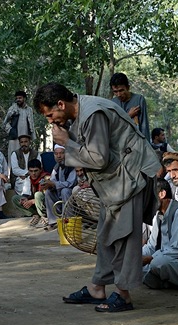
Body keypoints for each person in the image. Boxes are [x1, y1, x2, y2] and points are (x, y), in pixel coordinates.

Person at [34, 82, 159, 313]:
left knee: (123, 236)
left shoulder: (93, 113)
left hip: (131, 178)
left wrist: (66, 143)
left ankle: (123, 295)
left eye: (51, 114)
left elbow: (98, 159)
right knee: (105, 234)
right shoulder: (82, 112)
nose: (51, 121)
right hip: (117, 182)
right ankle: (97, 287)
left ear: (61, 104)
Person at [42, 144, 76, 231]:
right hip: (60, 196)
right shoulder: (56, 167)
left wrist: (54, 184)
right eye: (56, 154)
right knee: (48, 192)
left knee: (65, 191)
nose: (59, 156)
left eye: (61, 153)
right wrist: (48, 185)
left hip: (72, 195)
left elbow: (70, 183)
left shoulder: (72, 166)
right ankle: (53, 222)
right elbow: (53, 181)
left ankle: (68, 221)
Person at [110, 73, 151, 143]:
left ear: (128, 87)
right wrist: (128, 116)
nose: (118, 94)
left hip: (136, 142)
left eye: (121, 90)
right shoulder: (112, 103)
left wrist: (147, 146)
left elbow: (144, 126)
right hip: (119, 143)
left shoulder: (139, 100)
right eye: (115, 92)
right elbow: (113, 127)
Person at [11, 158, 49, 228]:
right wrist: (25, 199)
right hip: (36, 203)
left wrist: (33, 201)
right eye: (31, 171)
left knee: (38, 195)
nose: (33, 173)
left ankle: (44, 217)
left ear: (40, 170)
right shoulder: (29, 179)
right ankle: (35, 215)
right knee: (16, 198)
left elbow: (48, 197)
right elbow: (29, 194)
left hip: (47, 206)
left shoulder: (46, 178)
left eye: (36, 171)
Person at [3, 91, 36, 162]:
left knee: (25, 157)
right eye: (17, 98)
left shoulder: (29, 109)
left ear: (24, 98)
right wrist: (10, 130)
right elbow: (5, 122)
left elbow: (31, 124)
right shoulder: (12, 108)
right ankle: (11, 173)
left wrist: (32, 137)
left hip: (25, 137)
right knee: (13, 156)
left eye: (20, 98)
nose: (18, 99)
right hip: (15, 137)